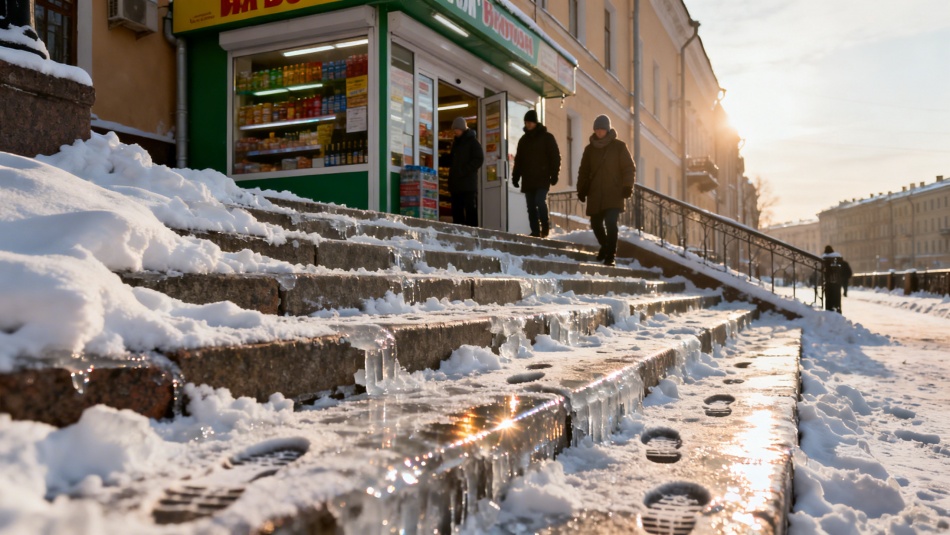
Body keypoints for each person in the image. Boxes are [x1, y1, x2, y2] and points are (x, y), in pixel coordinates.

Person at [576, 114, 636, 266]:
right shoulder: (589, 149)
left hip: (613, 193)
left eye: (601, 129)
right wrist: (581, 189)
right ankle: (605, 246)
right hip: (595, 193)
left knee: (610, 222)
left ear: (607, 130)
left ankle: (610, 255)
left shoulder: (619, 147)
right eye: (596, 129)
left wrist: (627, 186)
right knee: (595, 224)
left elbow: (629, 168)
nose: (599, 132)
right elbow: (583, 170)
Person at [511, 109, 561, 238]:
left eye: (530, 122)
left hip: (542, 177)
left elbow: (555, 157)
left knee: (540, 201)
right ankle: (535, 231)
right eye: (526, 122)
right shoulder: (523, 140)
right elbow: (519, 160)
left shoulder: (547, 137)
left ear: (535, 122)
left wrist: (554, 174)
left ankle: (545, 225)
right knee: (531, 207)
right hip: (528, 178)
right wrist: (515, 177)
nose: (528, 124)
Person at [443, 116, 483, 227]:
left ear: (462, 129)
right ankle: (458, 231)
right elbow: (452, 160)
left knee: (470, 209)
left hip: (468, 184)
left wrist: (464, 171)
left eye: (457, 129)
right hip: (456, 184)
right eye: (454, 130)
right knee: (457, 210)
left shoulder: (473, 143)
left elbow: (479, 159)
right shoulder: (456, 144)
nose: (455, 132)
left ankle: (473, 231)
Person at [822, 245, 845, 313]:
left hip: (828, 281)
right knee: (837, 297)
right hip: (837, 281)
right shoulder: (837, 258)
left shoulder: (825, 259)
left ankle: (829, 310)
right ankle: (837, 309)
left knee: (829, 298)